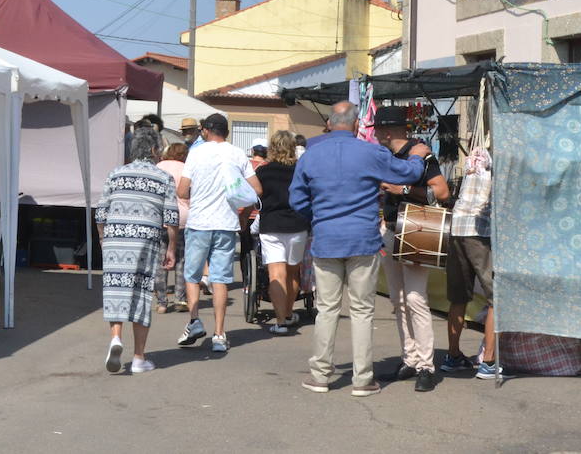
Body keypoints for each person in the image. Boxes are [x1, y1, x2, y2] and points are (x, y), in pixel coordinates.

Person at [290, 101, 423, 396]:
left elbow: (297, 199)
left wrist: (319, 218)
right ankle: (362, 380)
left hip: (326, 239)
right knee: (362, 310)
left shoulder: (311, 155)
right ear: (355, 124)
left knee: (327, 309)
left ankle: (320, 375)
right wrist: (417, 156)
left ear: (329, 123)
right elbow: (407, 174)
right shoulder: (371, 152)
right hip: (363, 239)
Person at [376, 104, 451, 392]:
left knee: (416, 299)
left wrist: (404, 190)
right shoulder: (389, 156)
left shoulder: (420, 153)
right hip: (391, 230)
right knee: (398, 300)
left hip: (416, 231)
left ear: (387, 131)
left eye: (378, 130)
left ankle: (426, 366)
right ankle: (410, 359)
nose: (376, 135)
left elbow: (442, 192)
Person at [95, 127, 178, 374]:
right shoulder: (163, 178)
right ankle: (139, 358)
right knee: (141, 293)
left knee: (116, 289)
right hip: (145, 239)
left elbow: (100, 213)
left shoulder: (115, 174)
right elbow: (171, 218)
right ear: (153, 150)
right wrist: (171, 248)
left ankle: (116, 338)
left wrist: (103, 238)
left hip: (115, 238)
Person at [177, 113, 260, 354]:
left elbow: (182, 191)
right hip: (226, 223)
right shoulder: (237, 153)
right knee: (220, 279)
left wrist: (196, 193)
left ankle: (194, 321)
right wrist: (242, 210)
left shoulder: (196, 152)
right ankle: (220, 334)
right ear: (226, 132)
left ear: (206, 130)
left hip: (199, 222)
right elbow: (257, 189)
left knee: (192, 276)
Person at [443, 139, 499, 379]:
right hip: (480, 230)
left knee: (458, 296)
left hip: (457, 228)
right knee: (496, 297)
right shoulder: (497, 161)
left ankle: (453, 355)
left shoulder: (476, 157)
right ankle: (489, 361)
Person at [256, 130, 310, 334]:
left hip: (271, 225)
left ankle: (279, 322)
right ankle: (288, 313)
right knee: (293, 272)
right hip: (297, 225)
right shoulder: (300, 171)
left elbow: (256, 198)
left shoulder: (263, 171)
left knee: (276, 274)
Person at [155, 142, 190, 313]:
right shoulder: (187, 169)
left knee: (161, 259)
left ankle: (162, 302)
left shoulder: (159, 167)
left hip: (160, 216)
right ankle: (180, 299)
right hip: (183, 217)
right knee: (181, 259)